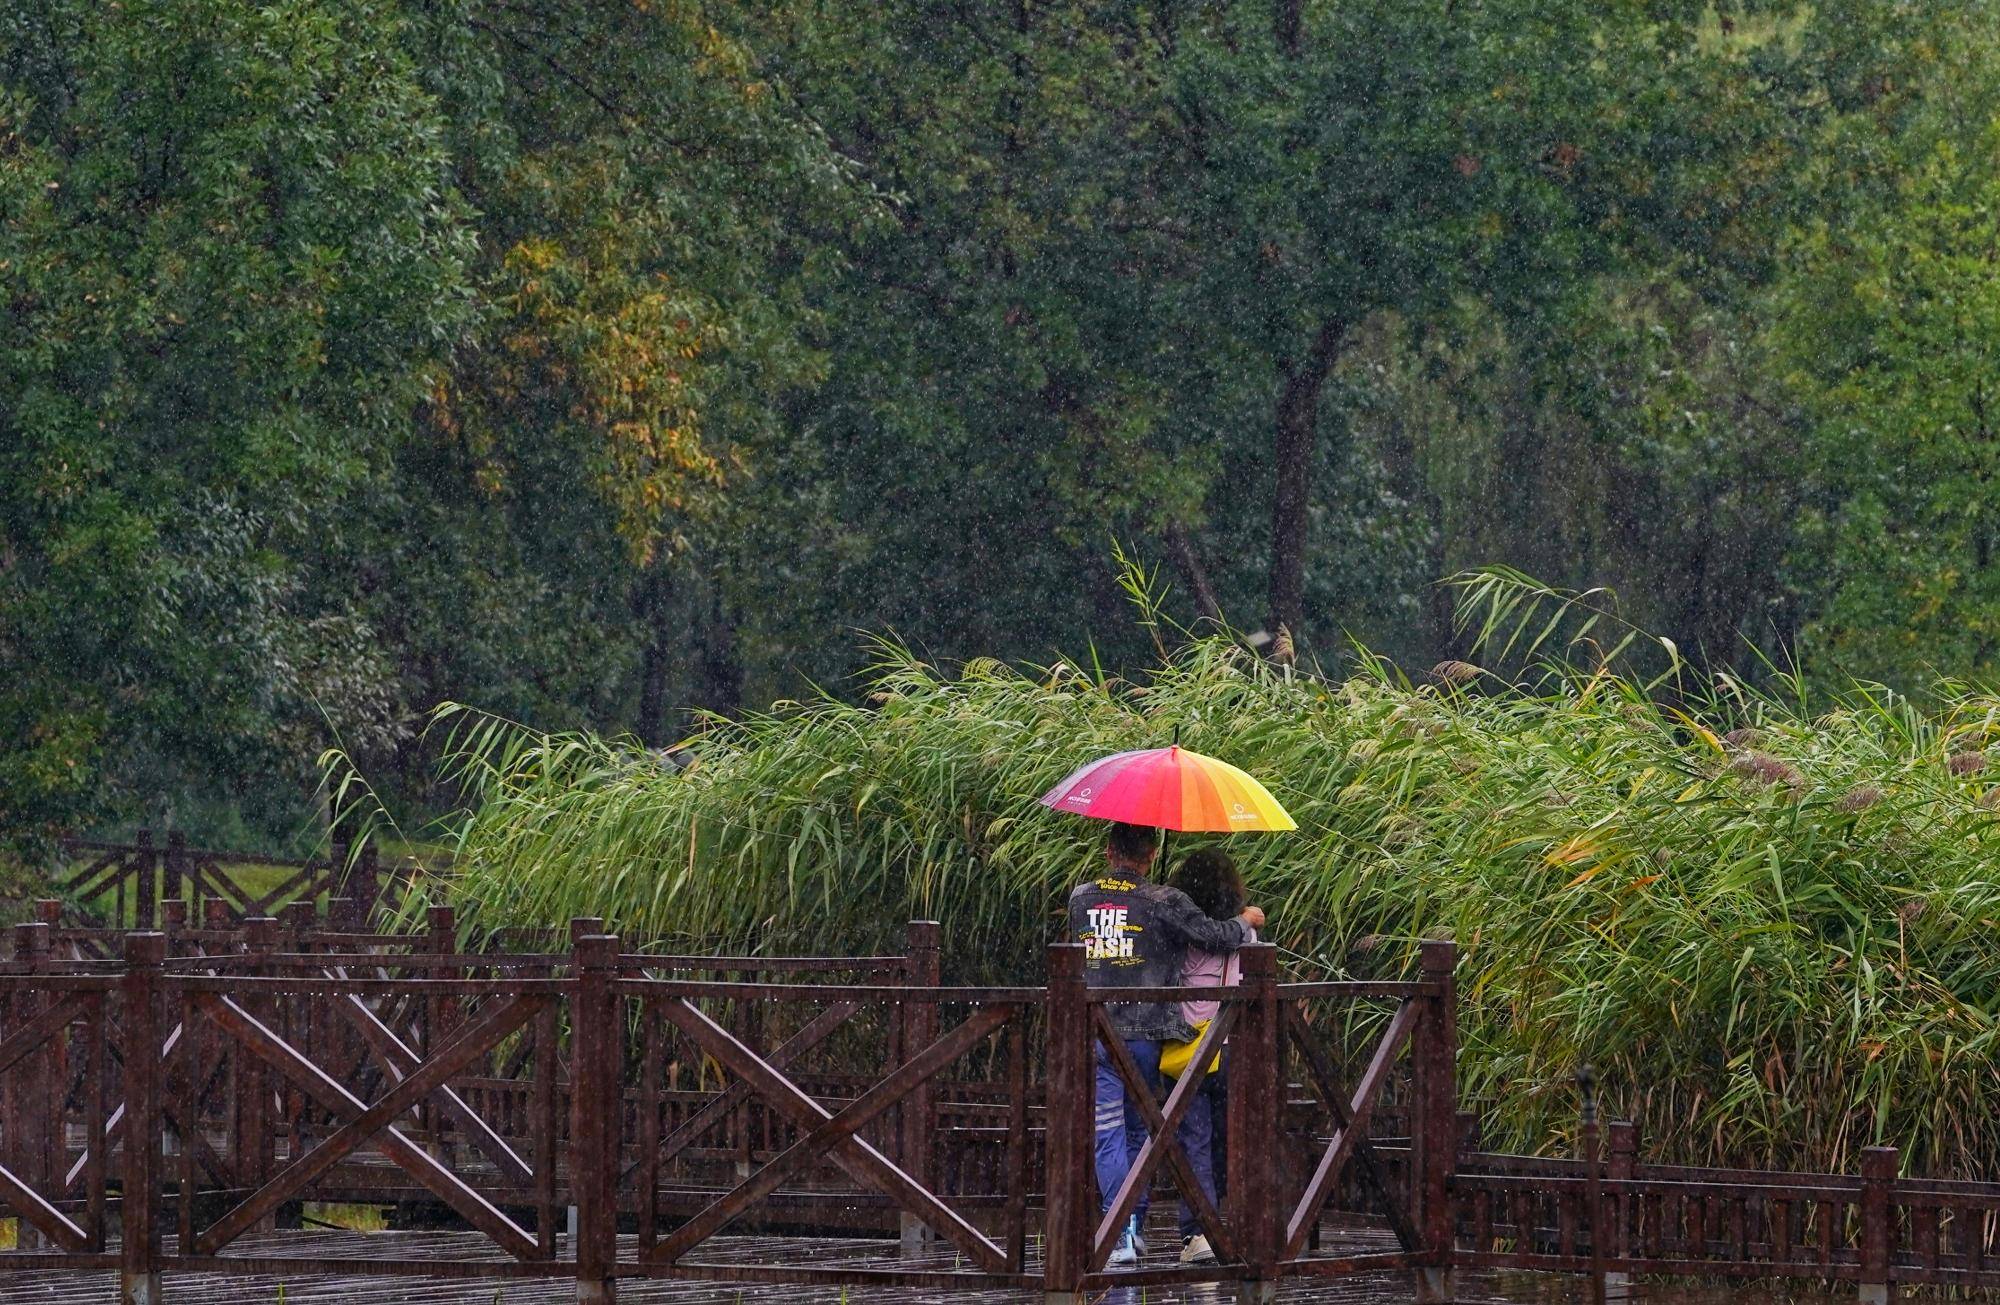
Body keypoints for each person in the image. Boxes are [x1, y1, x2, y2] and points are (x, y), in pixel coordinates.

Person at [1067, 821, 1265, 1267]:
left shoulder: (1080, 898)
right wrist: (1244, 921)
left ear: (1107, 851)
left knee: (1108, 1135)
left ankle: (1125, 1233)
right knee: (1140, 1135)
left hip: (1095, 1031)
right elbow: (1215, 936)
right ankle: (1126, 1231)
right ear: (1152, 854)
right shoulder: (1162, 901)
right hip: (1145, 1036)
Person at [1164, 847, 1252, 1265]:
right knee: (1222, 1139)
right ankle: (1223, 1223)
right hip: (1228, 1045)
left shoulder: (1182, 935)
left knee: (1193, 1139)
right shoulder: (1244, 935)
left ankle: (1198, 1231)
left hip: (1187, 1045)